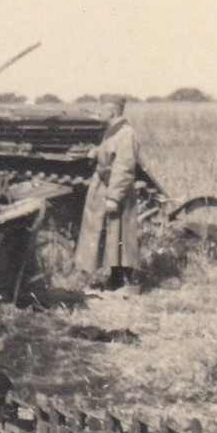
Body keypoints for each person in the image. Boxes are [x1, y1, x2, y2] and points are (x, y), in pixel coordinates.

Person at [74, 96, 141, 290]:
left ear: (112, 111)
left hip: (116, 190)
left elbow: (124, 167)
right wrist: (97, 152)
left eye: (101, 109)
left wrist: (114, 197)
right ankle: (115, 280)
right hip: (104, 186)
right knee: (111, 238)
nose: (98, 112)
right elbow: (111, 152)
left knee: (121, 238)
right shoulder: (112, 132)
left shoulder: (126, 133)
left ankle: (128, 283)